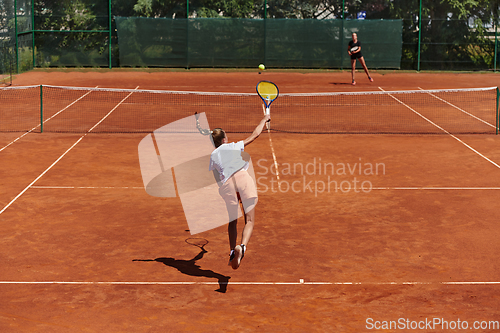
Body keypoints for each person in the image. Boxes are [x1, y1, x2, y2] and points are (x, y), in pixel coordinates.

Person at [209, 114, 271, 269]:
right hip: (243, 180)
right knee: (249, 220)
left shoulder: (213, 155)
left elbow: (217, 177)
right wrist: (263, 120)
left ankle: (232, 251)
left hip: (228, 185)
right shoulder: (234, 146)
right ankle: (242, 247)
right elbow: (255, 135)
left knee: (232, 221)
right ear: (224, 139)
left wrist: (223, 190)